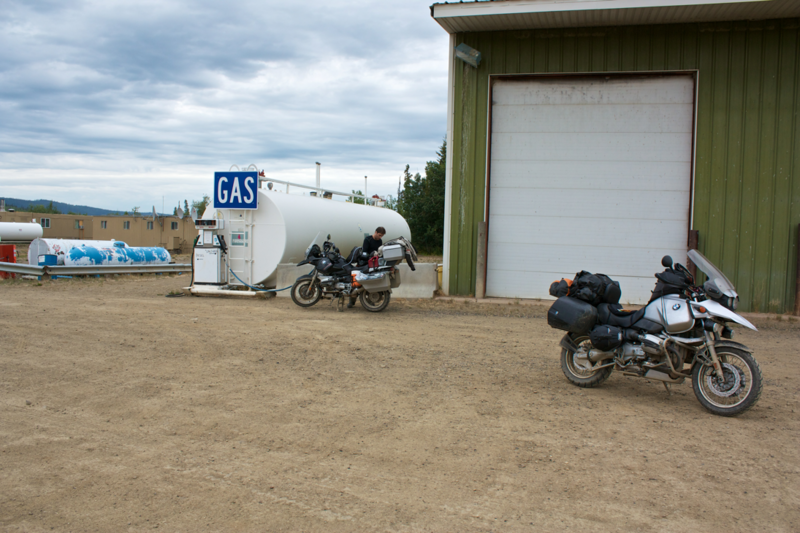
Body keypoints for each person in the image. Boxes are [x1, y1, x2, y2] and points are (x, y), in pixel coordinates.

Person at [348, 226, 386, 308]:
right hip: (364, 262)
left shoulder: (380, 241)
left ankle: (370, 301)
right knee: (355, 280)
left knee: (371, 282)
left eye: (381, 236)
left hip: (373, 264)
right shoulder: (367, 239)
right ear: (375, 232)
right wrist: (372, 254)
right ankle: (352, 300)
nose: (380, 237)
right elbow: (364, 252)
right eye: (379, 235)